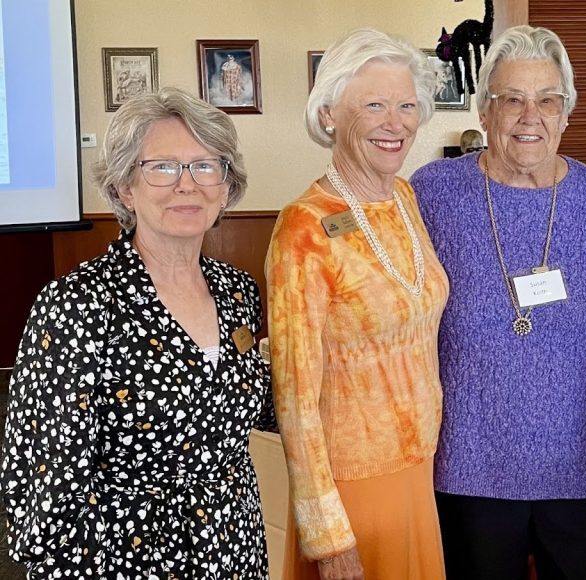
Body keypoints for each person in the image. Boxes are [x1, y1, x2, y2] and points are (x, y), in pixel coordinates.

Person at [0, 87, 276, 578]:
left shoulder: (238, 291)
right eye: (163, 167)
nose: (187, 184)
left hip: (235, 546)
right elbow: (45, 488)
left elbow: (253, 407)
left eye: (205, 166)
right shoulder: (76, 305)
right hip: (128, 557)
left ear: (226, 187)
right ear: (125, 187)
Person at [410, 25, 586, 580]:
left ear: (566, 113)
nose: (530, 116)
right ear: (485, 112)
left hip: (580, 467)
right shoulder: (433, 192)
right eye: (512, 99)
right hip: (468, 465)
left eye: (548, 100)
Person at [266, 28, 448, 580]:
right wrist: (327, 535)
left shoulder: (404, 197)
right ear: (329, 115)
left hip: (417, 465)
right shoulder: (303, 228)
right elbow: (294, 396)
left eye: (406, 106)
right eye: (373, 105)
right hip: (353, 485)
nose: (395, 123)